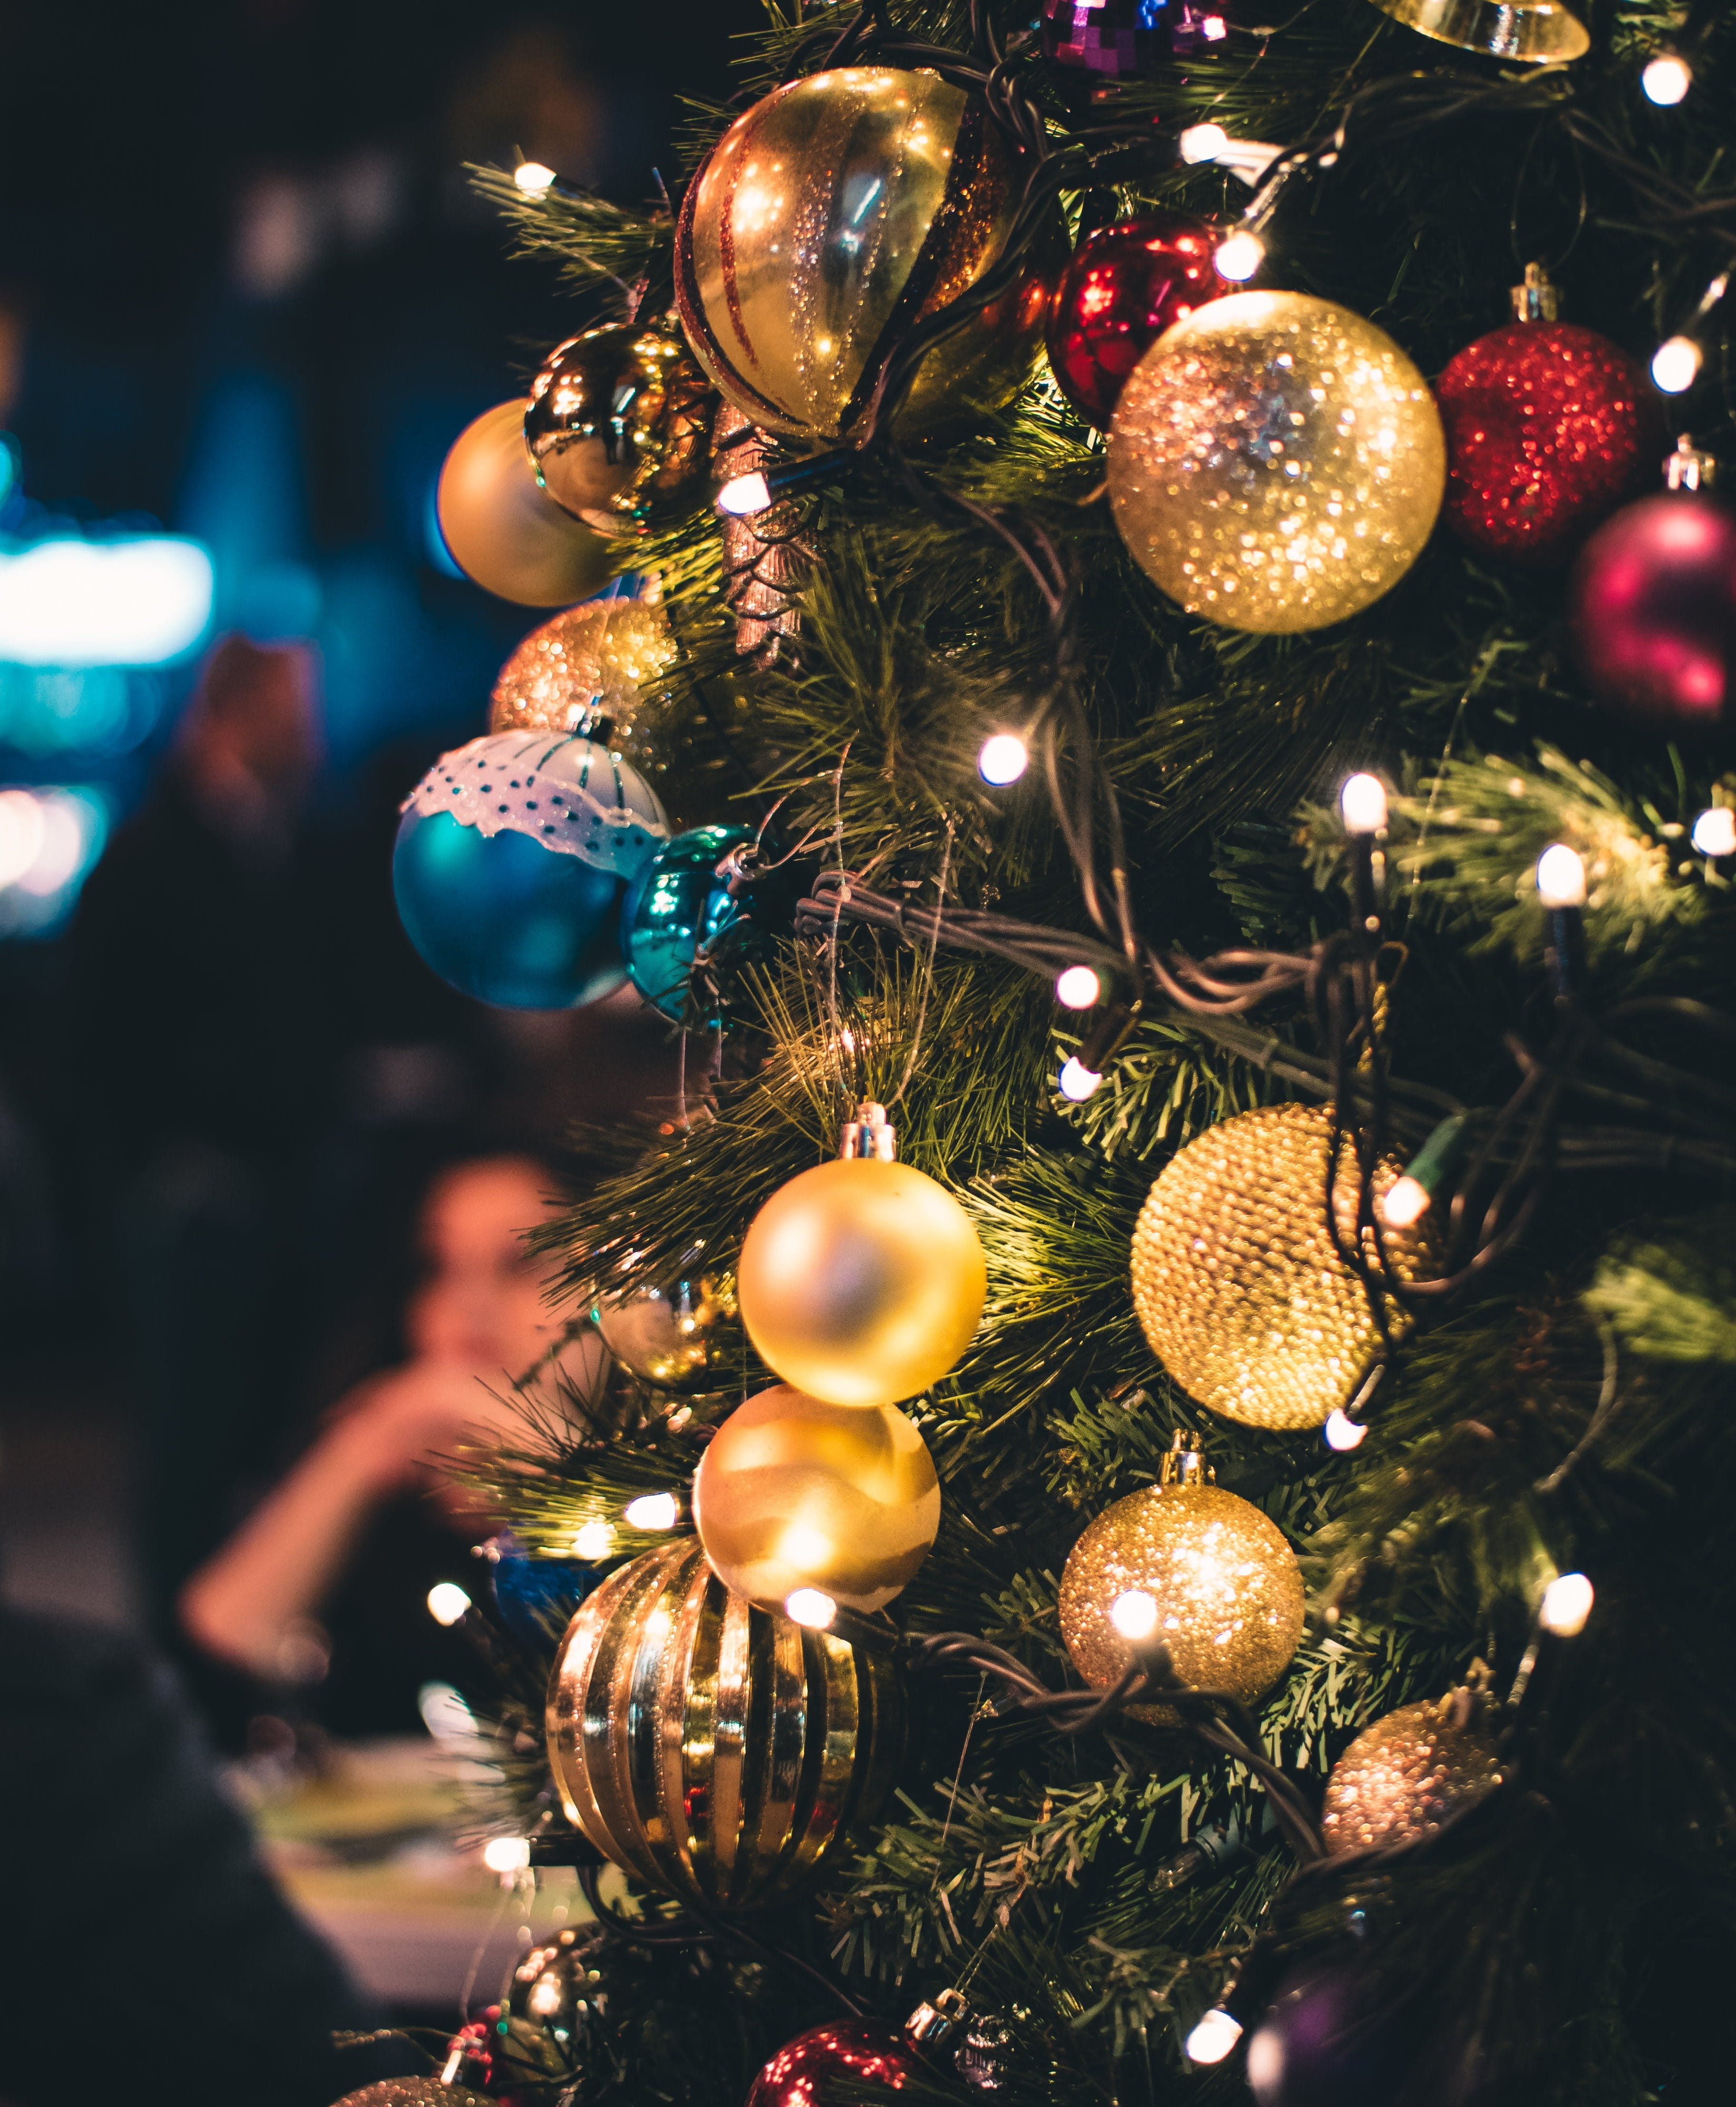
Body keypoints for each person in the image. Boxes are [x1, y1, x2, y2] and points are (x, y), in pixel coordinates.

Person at [181, 1151, 603, 1739]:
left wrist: (535, 1445)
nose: (470, 1306)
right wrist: (357, 1452)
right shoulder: (392, 1476)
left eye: (521, 1266)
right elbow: (214, 1655)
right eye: (438, 1268)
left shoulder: (688, 1480)